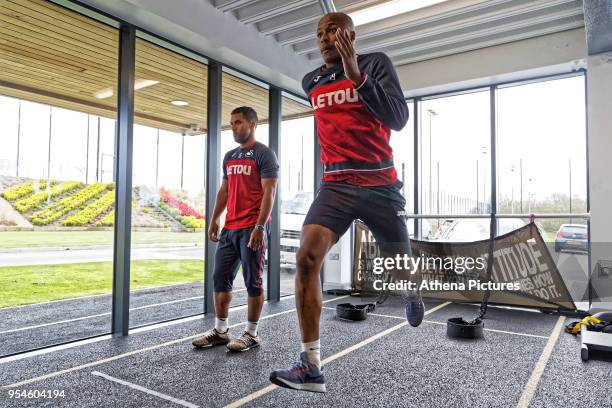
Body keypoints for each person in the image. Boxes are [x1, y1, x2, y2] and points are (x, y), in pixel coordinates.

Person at [269, 12, 423, 393]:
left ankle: (409, 289)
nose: (324, 37)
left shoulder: (375, 64)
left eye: (333, 31)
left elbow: (399, 118)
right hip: (335, 186)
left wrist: (358, 77)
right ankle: (311, 365)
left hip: (380, 185)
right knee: (305, 260)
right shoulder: (312, 80)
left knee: (399, 266)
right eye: (319, 32)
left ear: (351, 36)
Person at [192, 106, 278, 352]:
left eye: (238, 123)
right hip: (230, 229)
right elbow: (225, 190)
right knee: (220, 279)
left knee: (253, 282)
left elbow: (270, 192)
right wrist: (214, 219)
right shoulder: (229, 156)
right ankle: (220, 331)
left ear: (252, 124)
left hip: (253, 227)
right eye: (231, 123)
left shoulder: (264, 154)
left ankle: (252, 333)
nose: (234, 127)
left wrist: (260, 227)